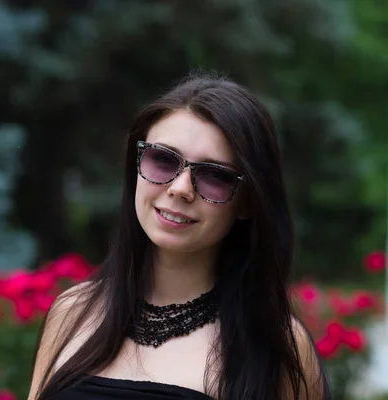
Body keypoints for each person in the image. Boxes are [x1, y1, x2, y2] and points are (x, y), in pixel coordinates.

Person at [28, 72, 331, 400]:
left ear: (247, 202)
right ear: (136, 164)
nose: (180, 188)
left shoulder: (274, 346)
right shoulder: (73, 312)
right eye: (162, 159)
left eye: (215, 176)